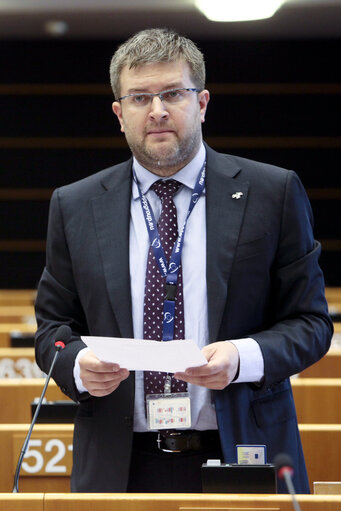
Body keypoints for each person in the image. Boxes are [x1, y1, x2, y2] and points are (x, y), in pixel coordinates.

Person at [34, 28, 333, 494]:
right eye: (139, 98)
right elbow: (53, 329)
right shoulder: (75, 205)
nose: (157, 111)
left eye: (173, 93)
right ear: (119, 114)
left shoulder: (272, 192)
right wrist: (77, 364)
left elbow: (312, 322)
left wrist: (241, 358)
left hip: (241, 451)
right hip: (119, 464)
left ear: (203, 103)